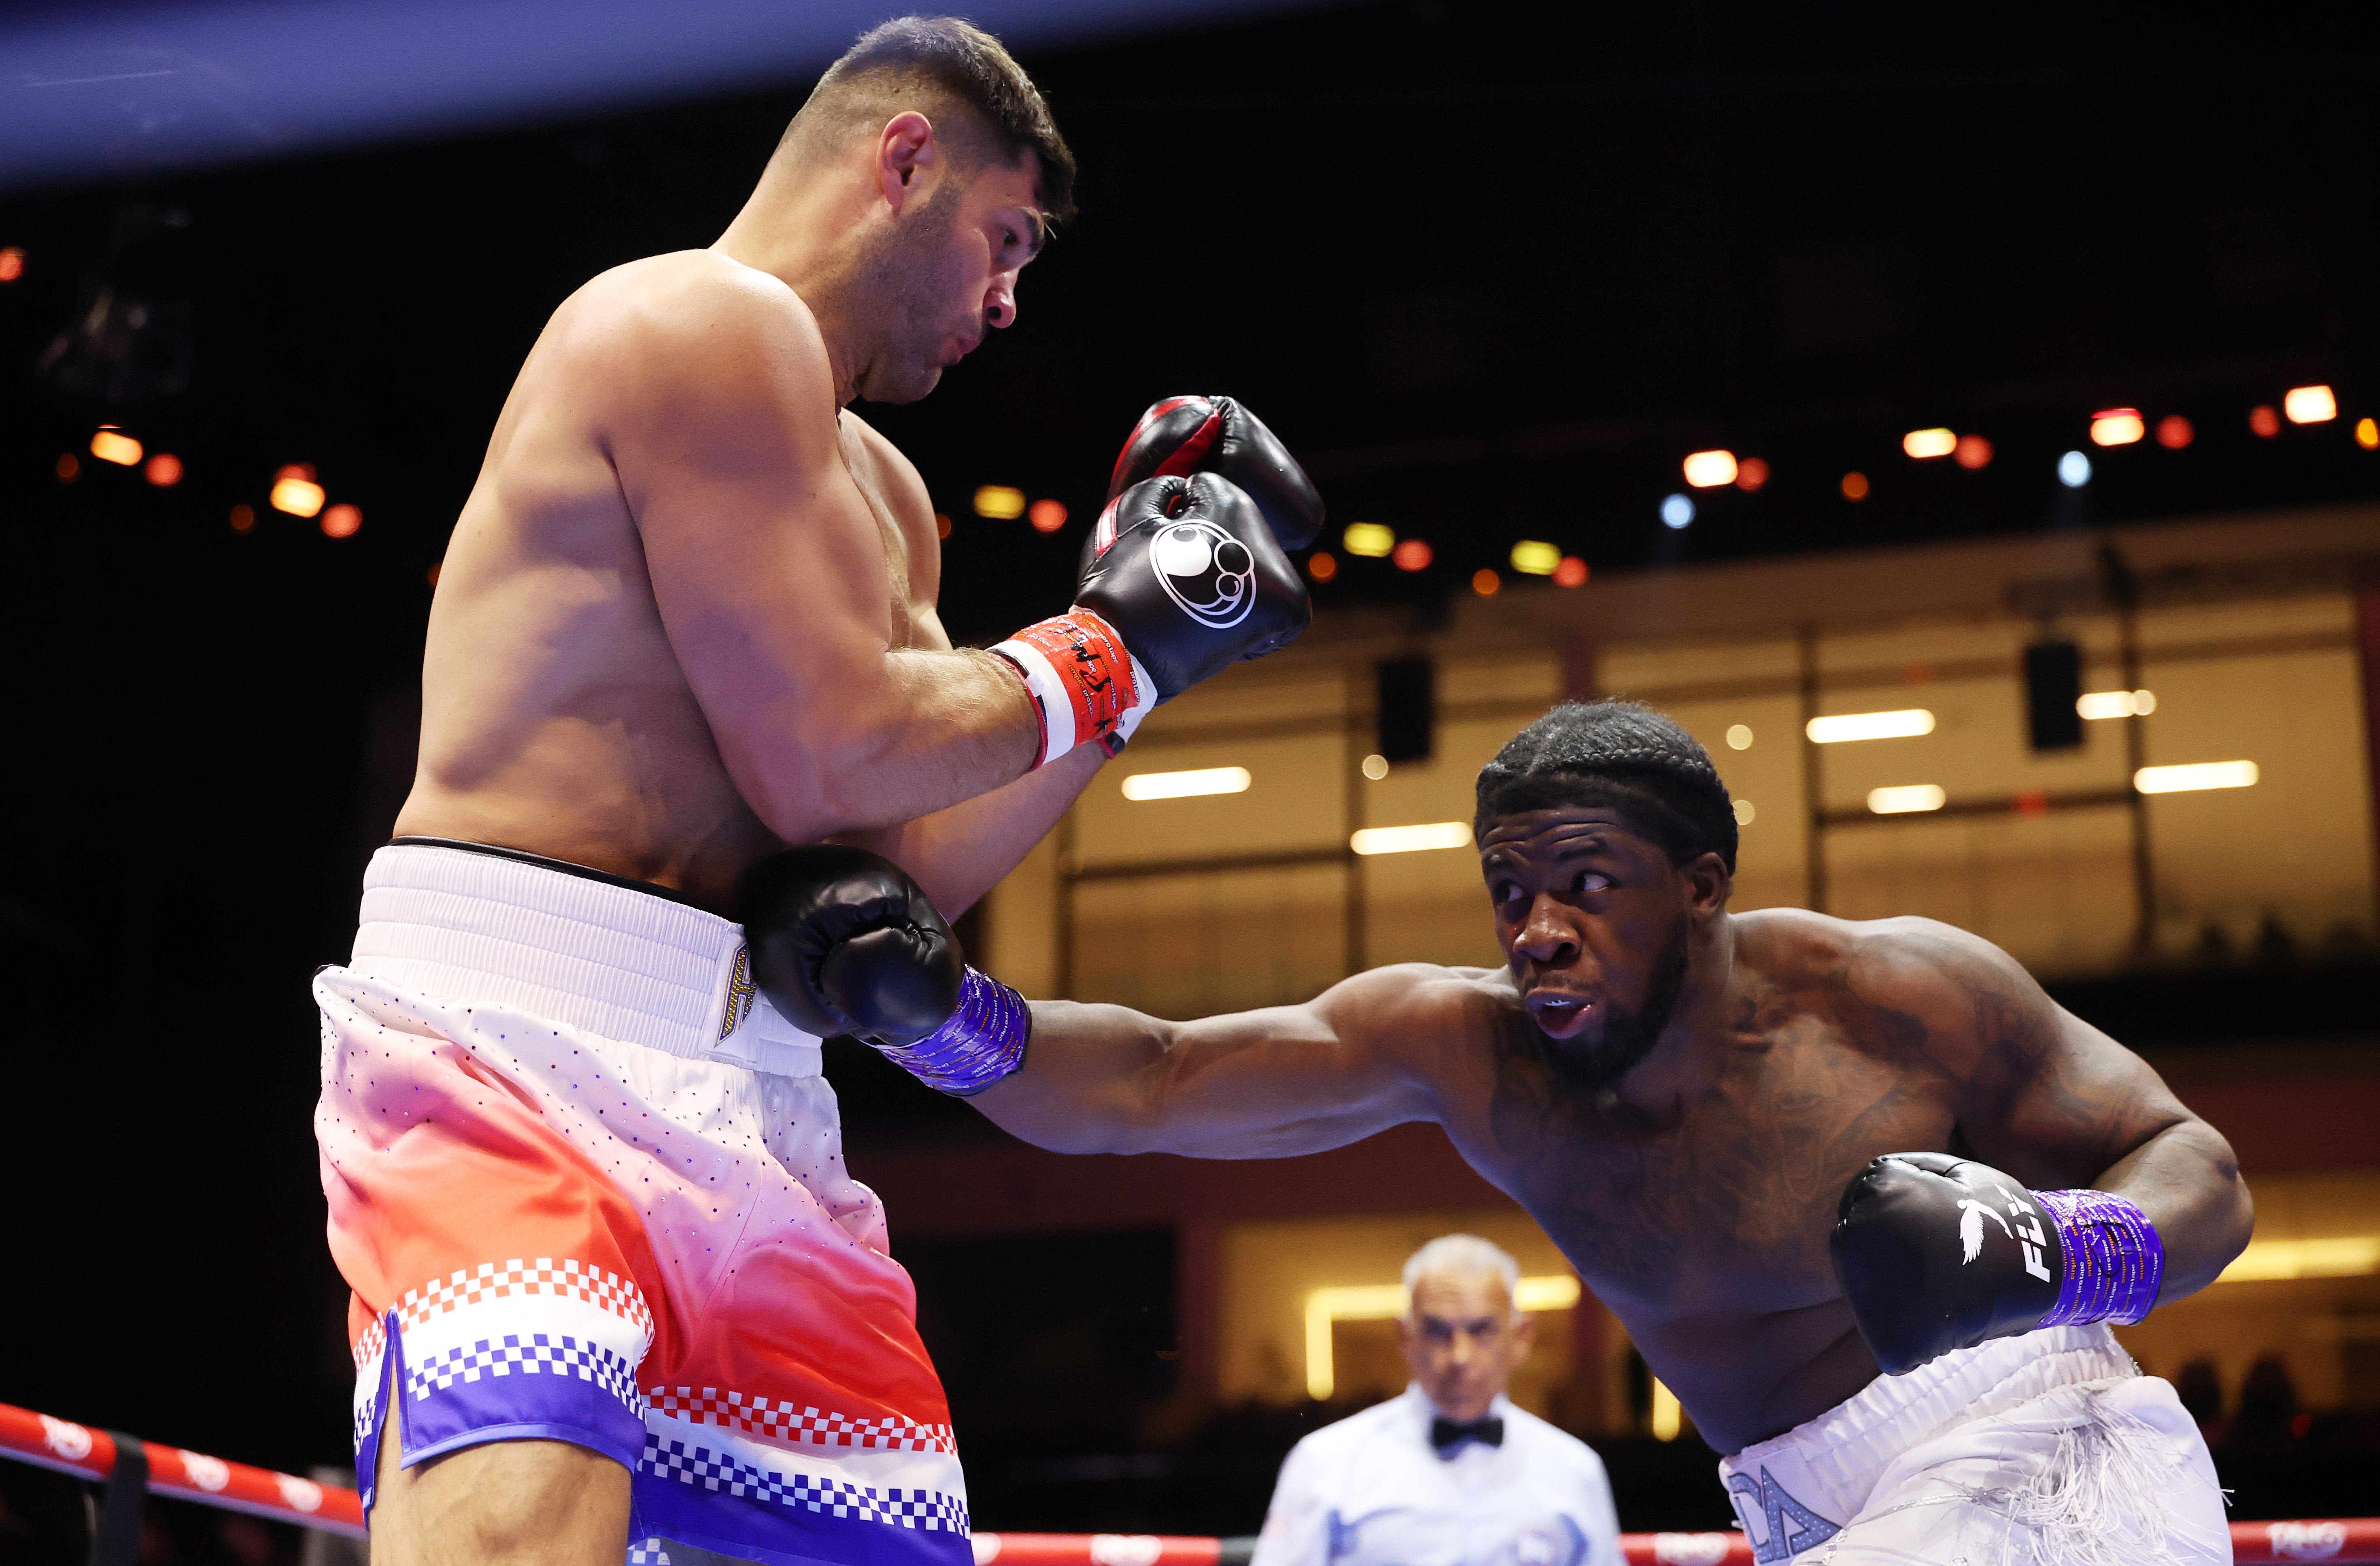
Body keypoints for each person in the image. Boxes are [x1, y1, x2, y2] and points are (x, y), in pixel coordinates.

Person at [309, 15, 1318, 1566]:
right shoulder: (697, 322)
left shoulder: (887, 496)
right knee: (522, 1527)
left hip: (752, 1080)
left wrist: (1138, 679)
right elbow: (827, 748)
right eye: (1003, 239)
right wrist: (1103, 643)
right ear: (901, 159)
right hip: (508, 1035)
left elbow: (898, 848)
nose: (1005, 299)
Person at [786, 699, 2253, 1565]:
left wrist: (2055, 1249)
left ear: (1699, 884)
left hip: (2040, 1441)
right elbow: (1154, 1081)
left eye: (1588, 884)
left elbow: (2197, 1165)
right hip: (1813, 1505)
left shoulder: (1893, 996)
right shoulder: (1468, 1049)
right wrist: (934, 1016)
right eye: (1508, 890)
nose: (1536, 930)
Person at [1251, 1235, 1620, 1566]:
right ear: (1405, 1337)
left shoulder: (1575, 1470)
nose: (1459, 1357)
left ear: (1521, 1337)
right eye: (1437, 1330)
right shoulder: (1325, 1462)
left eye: (1481, 1331)